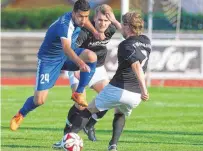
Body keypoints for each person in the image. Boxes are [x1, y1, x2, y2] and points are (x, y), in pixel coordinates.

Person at [60, 11, 151, 151]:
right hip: (135, 96)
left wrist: (144, 88)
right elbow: (128, 33)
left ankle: (68, 139)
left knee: (88, 110)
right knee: (119, 113)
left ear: (127, 26)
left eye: (123, 24)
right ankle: (113, 145)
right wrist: (114, 21)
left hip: (119, 88)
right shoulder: (146, 41)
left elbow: (136, 66)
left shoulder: (125, 45)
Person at [10, 0, 105, 131]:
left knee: (92, 56)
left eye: (86, 16)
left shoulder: (79, 19)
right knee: (39, 100)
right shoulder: (64, 25)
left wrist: (94, 32)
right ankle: (20, 114)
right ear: (73, 13)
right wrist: (80, 63)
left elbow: (85, 23)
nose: (83, 20)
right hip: (49, 60)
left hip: (66, 56)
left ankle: (78, 93)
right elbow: (66, 48)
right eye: (80, 16)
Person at [52, 5, 122, 147]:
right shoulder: (84, 32)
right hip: (79, 66)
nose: (102, 23)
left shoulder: (111, 28)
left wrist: (114, 21)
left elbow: (128, 34)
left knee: (110, 98)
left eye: (106, 21)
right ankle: (66, 136)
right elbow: (71, 49)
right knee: (80, 104)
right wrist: (76, 68)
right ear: (94, 18)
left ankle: (90, 125)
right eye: (100, 20)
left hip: (98, 69)